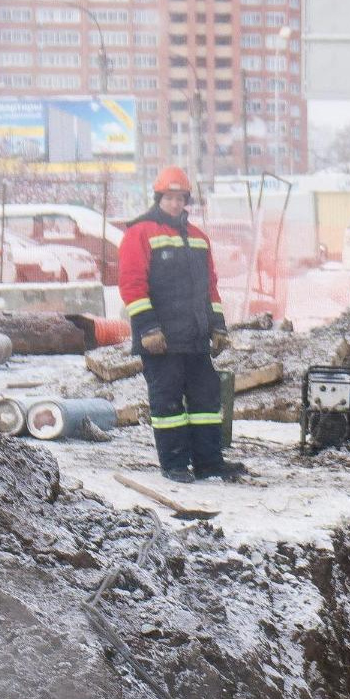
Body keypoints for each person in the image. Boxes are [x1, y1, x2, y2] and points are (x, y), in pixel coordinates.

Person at [117, 167, 240, 483]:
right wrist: (148, 329)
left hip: (195, 336)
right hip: (161, 338)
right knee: (168, 400)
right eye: (169, 198)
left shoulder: (198, 238)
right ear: (159, 198)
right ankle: (174, 464)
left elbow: (209, 287)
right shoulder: (140, 233)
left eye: (180, 198)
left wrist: (218, 326)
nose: (175, 203)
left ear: (187, 200)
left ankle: (209, 463)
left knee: (206, 401)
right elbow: (132, 284)